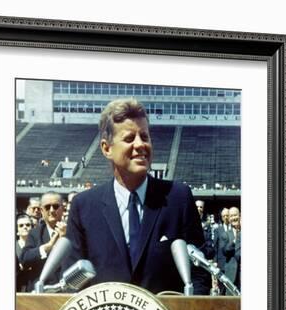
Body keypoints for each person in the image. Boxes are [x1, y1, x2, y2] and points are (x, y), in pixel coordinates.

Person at [66, 98, 209, 295]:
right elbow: (73, 284)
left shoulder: (178, 198)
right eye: (129, 138)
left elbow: (200, 274)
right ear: (107, 148)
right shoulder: (84, 207)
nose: (140, 144)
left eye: (144, 136)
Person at [20, 192, 67, 290]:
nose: (52, 210)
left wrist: (65, 241)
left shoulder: (73, 231)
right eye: (47, 207)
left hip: (66, 289)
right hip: (41, 290)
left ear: (62, 209)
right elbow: (24, 259)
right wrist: (48, 246)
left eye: (55, 206)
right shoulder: (35, 233)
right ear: (42, 210)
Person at [219, 206, 241, 293]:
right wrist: (235, 239)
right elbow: (225, 251)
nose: (234, 218)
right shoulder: (225, 235)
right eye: (231, 216)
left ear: (240, 216)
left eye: (235, 215)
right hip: (232, 274)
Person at [15, 214, 33, 292]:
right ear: (17, 231)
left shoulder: (37, 247)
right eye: (21, 225)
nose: (25, 227)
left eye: (28, 225)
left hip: (32, 287)